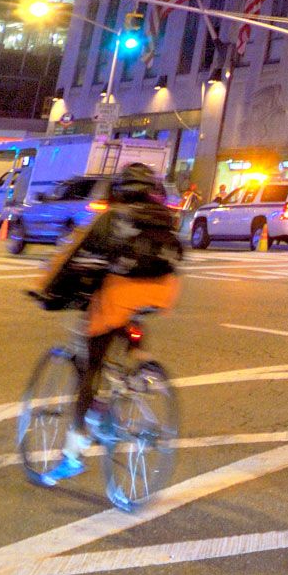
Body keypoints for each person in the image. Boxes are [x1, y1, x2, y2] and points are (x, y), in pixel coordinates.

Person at [35, 163, 183, 483]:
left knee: (92, 366)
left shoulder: (113, 217)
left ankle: (73, 452)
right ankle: (137, 372)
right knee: (129, 328)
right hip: (162, 291)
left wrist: (47, 289)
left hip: (119, 296)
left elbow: (71, 255)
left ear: (119, 189)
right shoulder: (164, 218)